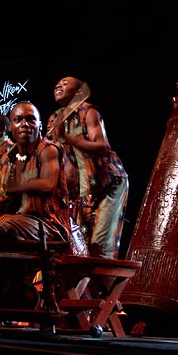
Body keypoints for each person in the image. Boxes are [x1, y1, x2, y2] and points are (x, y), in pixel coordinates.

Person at [49, 76, 128, 259]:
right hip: (86, 190)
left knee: (100, 246)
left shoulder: (88, 111)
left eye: (65, 83)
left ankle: (108, 286)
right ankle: (91, 287)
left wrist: (69, 138)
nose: (58, 85)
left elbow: (102, 146)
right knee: (81, 246)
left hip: (110, 183)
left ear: (78, 93)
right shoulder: (57, 119)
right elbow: (67, 162)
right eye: (57, 83)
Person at [0, 101, 72, 247]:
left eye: (31, 119)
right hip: (17, 220)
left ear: (39, 125)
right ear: (11, 127)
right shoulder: (8, 158)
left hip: (48, 224)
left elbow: (48, 185)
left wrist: (17, 186)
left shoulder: (47, 150)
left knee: (2, 227)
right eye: (18, 120)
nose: (24, 124)